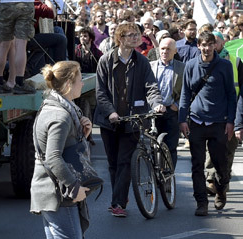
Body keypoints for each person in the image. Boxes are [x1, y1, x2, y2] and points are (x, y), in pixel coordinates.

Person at [94, 22, 165, 217]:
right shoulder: (106, 61)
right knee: (113, 163)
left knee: (125, 160)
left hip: (133, 119)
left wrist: (156, 102)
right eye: (131, 35)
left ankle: (117, 203)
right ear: (120, 39)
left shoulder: (141, 62)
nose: (136, 38)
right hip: (109, 121)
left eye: (137, 35)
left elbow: (151, 86)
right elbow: (100, 94)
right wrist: (110, 112)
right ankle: (121, 195)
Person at [31, 61, 93, 239]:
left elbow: (62, 148)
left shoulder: (54, 106)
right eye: (80, 80)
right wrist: (75, 188)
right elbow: (53, 157)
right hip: (58, 194)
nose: (82, 83)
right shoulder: (61, 116)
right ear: (68, 85)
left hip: (53, 191)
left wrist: (82, 134)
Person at [179, 31, 236, 216]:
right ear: (198, 46)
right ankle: (201, 202)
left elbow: (231, 95)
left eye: (210, 44)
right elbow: (185, 94)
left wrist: (231, 122)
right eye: (203, 44)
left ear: (215, 45)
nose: (206, 48)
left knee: (220, 163)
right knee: (197, 165)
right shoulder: (190, 65)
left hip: (219, 122)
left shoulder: (225, 66)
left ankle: (221, 189)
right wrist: (182, 119)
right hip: (196, 121)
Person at [149, 38, 183, 167]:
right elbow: (145, 88)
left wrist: (177, 105)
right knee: (153, 147)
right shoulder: (150, 66)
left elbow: (188, 90)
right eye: (162, 48)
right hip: (154, 112)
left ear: (175, 51)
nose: (165, 51)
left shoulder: (182, 67)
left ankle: (168, 177)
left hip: (172, 111)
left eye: (168, 49)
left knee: (171, 147)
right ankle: (155, 176)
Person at [27, 0, 68, 76]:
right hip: (26, 38)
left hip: (29, 35)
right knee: (60, 39)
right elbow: (52, 13)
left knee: (56, 32)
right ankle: (60, 73)